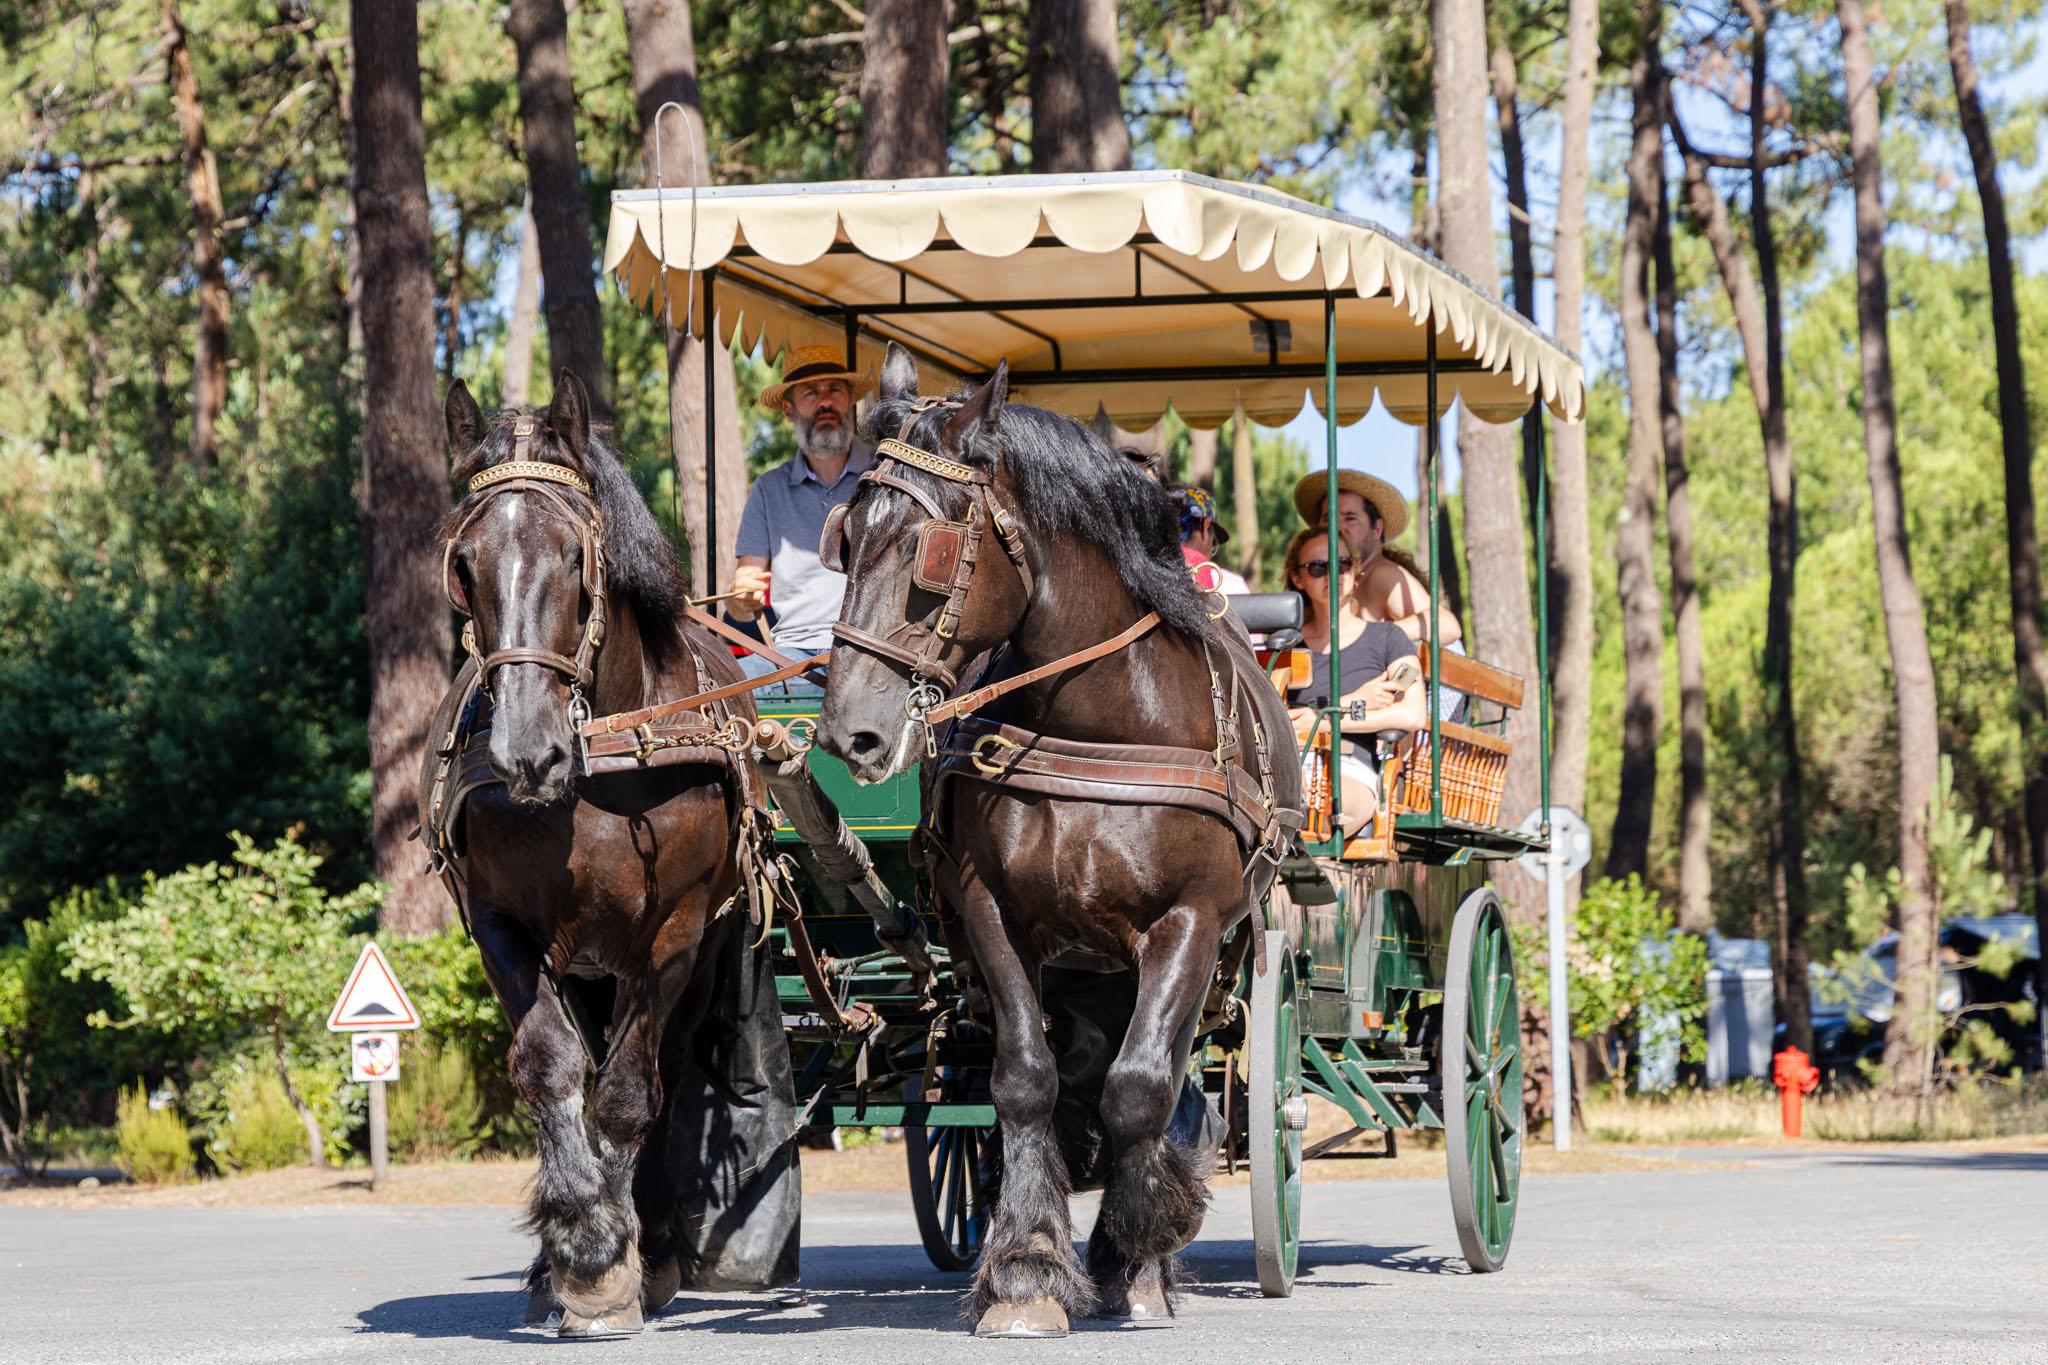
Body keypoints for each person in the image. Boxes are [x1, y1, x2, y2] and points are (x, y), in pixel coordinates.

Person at [727, 346, 876, 680]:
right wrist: (741, 598)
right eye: (811, 393)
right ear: (789, 410)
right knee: (722, 689)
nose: (825, 402)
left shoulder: (884, 476)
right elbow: (740, 599)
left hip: (869, 653)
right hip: (789, 659)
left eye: (834, 390)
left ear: (849, 400)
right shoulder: (768, 489)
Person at [1281, 525, 1426, 839]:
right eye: (1318, 568)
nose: (1333, 575)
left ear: (1355, 571)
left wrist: (1321, 721)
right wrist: (1354, 701)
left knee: (1321, 814)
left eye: (1342, 565)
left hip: (1349, 767)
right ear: (1298, 579)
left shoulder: (1387, 637)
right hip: (1286, 767)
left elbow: (1412, 714)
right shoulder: (1286, 645)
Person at [1291, 469, 1462, 647]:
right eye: (1328, 519)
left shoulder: (1382, 574)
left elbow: (1447, 626)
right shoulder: (1324, 580)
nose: (1337, 528)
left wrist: (1369, 638)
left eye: (1350, 519)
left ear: (1377, 529)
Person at [1173, 486, 1251, 596]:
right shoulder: (1231, 585)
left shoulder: (1148, 577)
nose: (1211, 550)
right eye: (1213, 544)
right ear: (1205, 526)